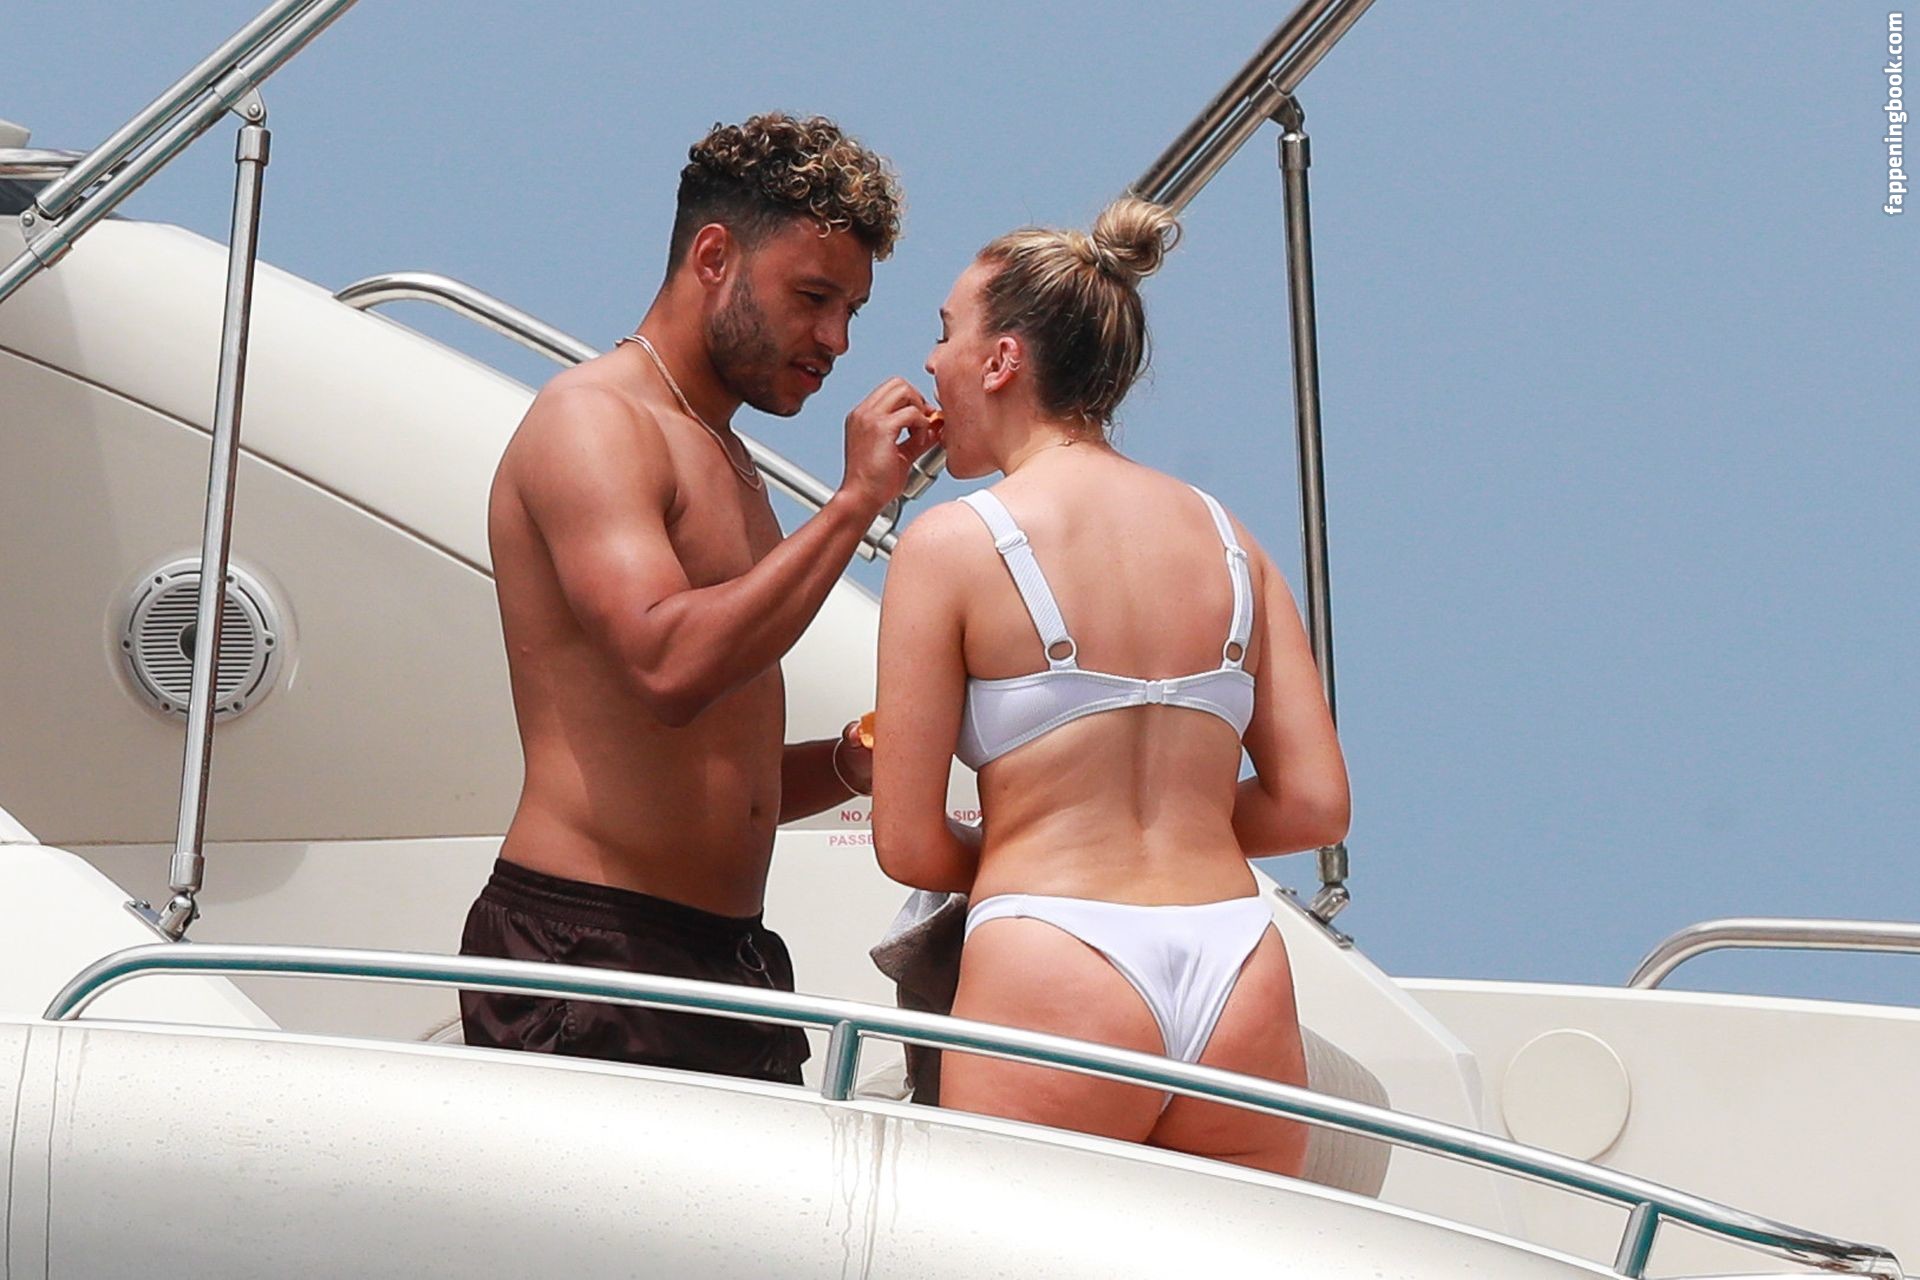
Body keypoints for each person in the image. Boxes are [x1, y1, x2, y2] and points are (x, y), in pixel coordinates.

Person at [868, 198, 1349, 1175]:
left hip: (1052, 953)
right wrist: (1179, 818)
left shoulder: (951, 544)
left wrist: (1042, 832)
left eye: (946, 332)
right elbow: (1314, 802)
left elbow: (907, 841)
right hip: (1235, 964)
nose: (931, 361)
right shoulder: (1230, 541)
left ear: (1001, 361)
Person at [462, 113, 939, 1084]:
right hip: (586, 951)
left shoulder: (724, 454)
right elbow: (668, 665)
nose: (836, 339)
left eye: (851, 309)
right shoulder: (594, 419)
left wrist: (846, 763)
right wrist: (854, 503)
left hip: (727, 960)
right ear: (714, 257)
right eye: (813, 297)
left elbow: (705, 770)